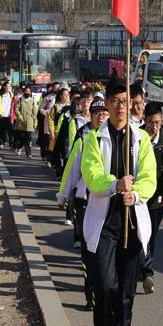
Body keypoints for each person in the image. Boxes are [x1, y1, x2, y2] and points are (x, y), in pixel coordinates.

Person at [80, 79, 157, 326]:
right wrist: (114, 185)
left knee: (125, 296)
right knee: (103, 288)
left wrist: (135, 193)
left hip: (132, 225)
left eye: (125, 101)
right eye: (114, 100)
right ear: (107, 103)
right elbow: (92, 175)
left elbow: (149, 178)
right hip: (104, 226)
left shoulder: (141, 140)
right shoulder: (94, 139)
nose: (120, 106)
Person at [57, 98, 109, 307]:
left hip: (106, 203)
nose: (101, 117)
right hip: (85, 202)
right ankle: (91, 296)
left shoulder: (113, 140)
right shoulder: (83, 140)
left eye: (104, 114)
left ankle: (104, 291)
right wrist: (62, 196)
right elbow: (70, 171)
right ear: (91, 116)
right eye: (97, 114)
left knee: (104, 252)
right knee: (89, 251)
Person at [137, 101, 163, 294]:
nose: (154, 126)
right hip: (139, 193)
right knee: (138, 231)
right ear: (145, 120)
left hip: (157, 194)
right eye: (151, 122)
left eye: (157, 122)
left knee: (151, 233)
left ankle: (145, 269)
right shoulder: (137, 136)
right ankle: (144, 270)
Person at [14, 85, 38, 157]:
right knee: (22, 138)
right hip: (21, 122)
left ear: (30, 92)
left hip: (30, 122)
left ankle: (28, 153)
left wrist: (35, 122)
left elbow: (34, 112)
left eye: (29, 91)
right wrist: (19, 116)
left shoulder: (33, 100)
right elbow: (16, 109)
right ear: (24, 92)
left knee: (29, 138)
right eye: (26, 91)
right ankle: (19, 147)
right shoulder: (20, 99)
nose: (27, 93)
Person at [0, 82, 15, 148]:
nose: (9, 88)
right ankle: (1, 142)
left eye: (10, 86)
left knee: (10, 131)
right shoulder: (0, 95)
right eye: (8, 86)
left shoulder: (11, 94)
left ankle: (11, 144)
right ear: (4, 87)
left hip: (9, 115)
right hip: (2, 115)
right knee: (2, 130)